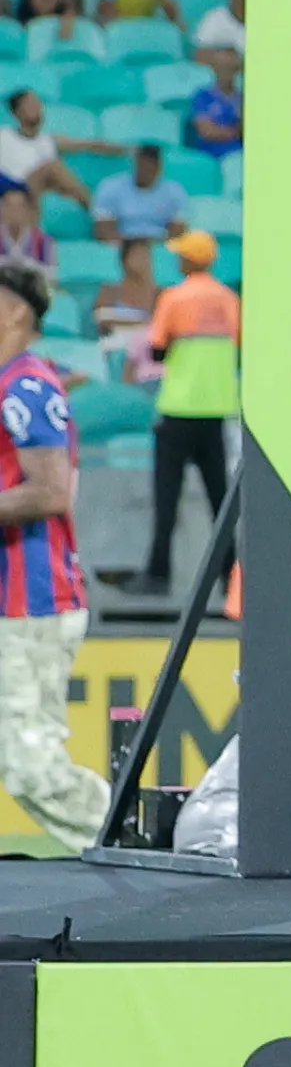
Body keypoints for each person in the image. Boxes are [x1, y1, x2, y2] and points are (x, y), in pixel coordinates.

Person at [0, 259, 104, 841]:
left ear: (17, 309)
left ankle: (125, 838)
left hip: (32, 602)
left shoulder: (26, 386)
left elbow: (50, 490)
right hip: (11, 600)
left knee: (33, 771)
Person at [119, 228, 237, 595]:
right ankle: (230, 580)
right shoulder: (230, 299)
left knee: (167, 497)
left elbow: (155, 350)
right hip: (216, 410)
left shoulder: (175, 297)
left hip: (179, 409)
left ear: (188, 260)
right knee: (221, 500)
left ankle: (157, 576)